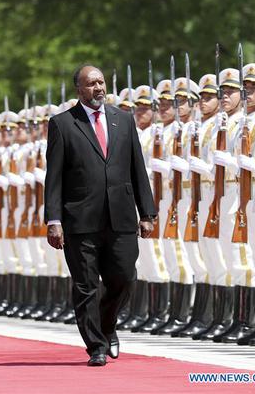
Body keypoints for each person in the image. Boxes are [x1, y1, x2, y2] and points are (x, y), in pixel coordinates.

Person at [44, 64, 157, 366]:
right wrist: (53, 220)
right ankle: (95, 345)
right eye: (91, 84)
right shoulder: (63, 124)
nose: (98, 88)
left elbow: (137, 168)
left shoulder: (123, 120)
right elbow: (53, 178)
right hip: (80, 220)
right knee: (85, 285)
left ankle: (107, 325)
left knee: (123, 276)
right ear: (78, 89)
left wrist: (147, 213)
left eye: (101, 82)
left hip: (120, 216)